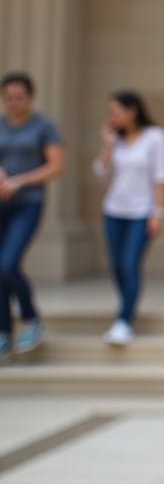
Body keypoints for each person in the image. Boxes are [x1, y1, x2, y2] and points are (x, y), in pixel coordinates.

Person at [93, 91, 164, 346]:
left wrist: (157, 214)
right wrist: (107, 144)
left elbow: (161, 177)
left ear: (133, 110)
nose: (112, 118)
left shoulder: (155, 138)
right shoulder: (117, 140)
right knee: (116, 266)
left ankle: (124, 320)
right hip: (114, 211)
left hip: (141, 212)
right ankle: (125, 311)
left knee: (129, 264)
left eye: (116, 112)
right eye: (110, 113)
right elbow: (101, 173)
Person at [0, 72, 65, 359]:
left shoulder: (44, 127)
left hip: (28, 202)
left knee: (8, 264)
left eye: (19, 98)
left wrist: (20, 181)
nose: (14, 103)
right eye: (9, 98)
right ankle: (3, 331)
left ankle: (30, 318)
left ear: (30, 97)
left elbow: (56, 167)